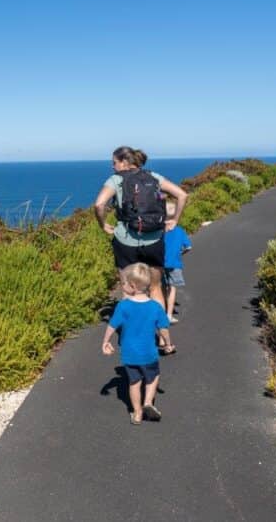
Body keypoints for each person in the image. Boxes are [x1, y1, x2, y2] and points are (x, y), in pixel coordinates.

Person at [92, 146, 188, 317]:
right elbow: (182, 195)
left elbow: (99, 204)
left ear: (124, 162)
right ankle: (161, 333)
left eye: (114, 163)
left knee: (127, 288)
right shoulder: (153, 177)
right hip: (153, 240)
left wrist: (103, 224)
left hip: (125, 241)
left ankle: (132, 328)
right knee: (156, 287)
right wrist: (175, 220)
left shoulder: (115, 180)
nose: (113, 167)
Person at [101, 263, 173, 424]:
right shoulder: (155, 307)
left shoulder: (123, 306)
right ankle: (148, 402)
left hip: (129, 353)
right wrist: (168, 343)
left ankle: (137, 413)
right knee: (153, 377)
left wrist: (106, 342)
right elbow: (163, 329)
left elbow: (112, 325)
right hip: (149, 353)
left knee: (134, 382)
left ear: (132, 286)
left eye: (124, 283)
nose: (123, 286)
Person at [162, 199, 192, 324]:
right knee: (172, 288)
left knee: (161, 287)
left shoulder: (159, 230)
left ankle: (161, 312)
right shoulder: (179, 231)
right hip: (175, 263)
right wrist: (180, 253)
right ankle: (169, 315)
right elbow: (188, 247)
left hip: (160, 263)